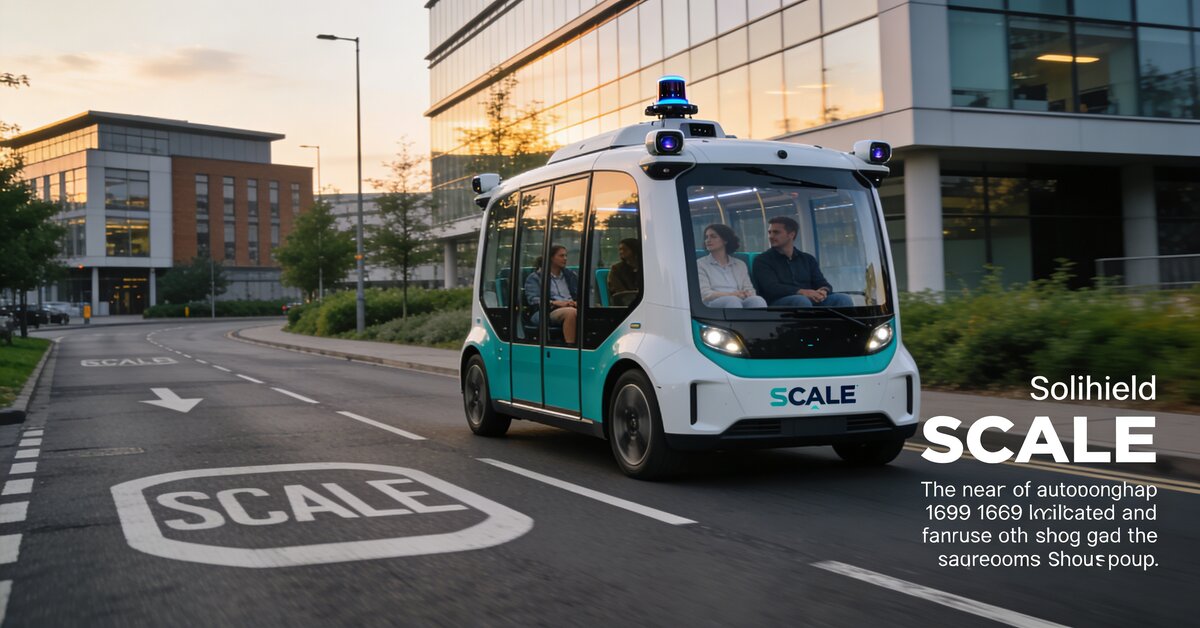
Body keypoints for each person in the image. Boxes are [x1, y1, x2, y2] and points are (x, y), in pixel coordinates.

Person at [752, 216, 853, 308]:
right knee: (801, 301)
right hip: (778, 302)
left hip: (809, 299)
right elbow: (771, 288)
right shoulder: (762, 260)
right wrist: (802, 292)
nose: (771, 236)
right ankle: (808, 328)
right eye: (770, 232)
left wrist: (823, 291)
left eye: (776, 232)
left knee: (843, 299)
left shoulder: (808, 259)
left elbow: (822, 282)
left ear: (791, 234)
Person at [696, 223, 767, 308]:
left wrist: (747, 293)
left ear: (725, 240)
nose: (708, 240)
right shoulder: (700, 264)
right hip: (712, 303)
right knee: (732, 300)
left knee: (758, 300)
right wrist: (731, 294)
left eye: (713, 236)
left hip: (738, 299)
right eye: (706, 237)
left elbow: (749, 289)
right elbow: (705, 294)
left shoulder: (740, 264)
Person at [524, 244, 579, 344]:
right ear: (551, 258)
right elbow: (533, 300)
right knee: (571, 313)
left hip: (571, 305)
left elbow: (579, 294)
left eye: (566, 256)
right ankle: (570, 347)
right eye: (561, 256)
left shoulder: (570, 275)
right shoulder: (535, 277)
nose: (565, 259)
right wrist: (555, 303)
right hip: (547, 311)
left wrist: (575, 302)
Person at [607, 238, 641, 306]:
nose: (621, 252)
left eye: (625, 249)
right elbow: (620, 292)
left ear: (634, 250)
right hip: (625, 304)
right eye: (620, 249)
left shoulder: (644, 267)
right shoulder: (616, 269)